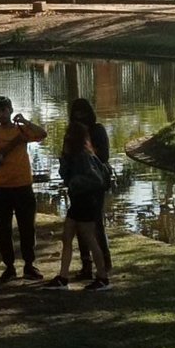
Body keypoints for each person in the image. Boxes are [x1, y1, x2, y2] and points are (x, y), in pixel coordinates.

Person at [43, 120, 111, 291]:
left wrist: (76, 181)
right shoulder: (72, 157)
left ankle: (102, 277)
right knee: (67, 237)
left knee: (90, 239)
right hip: (77, 201)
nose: (65, 139)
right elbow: (65, 175)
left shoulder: (84, 156)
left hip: (86, 202)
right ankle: (63, 277)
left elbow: (96, 179)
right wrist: (63, 159)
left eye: (67, 137)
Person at [0, 95, 47, 283]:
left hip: (23, 186)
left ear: (11, 110)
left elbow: (42, 134)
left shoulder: (22, 129)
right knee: (3, 229)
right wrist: (12, 145)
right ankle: (9, 267)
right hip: (1, 188)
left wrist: (25, 121)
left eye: (4, 110)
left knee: (27, 227)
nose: (1, 114)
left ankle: (29, 265)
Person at [68, 98, 112, 280]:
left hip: (95, 184)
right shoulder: (72, 132)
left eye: (82, 113)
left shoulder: (98, 130)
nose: (79, 117)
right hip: (77, 184)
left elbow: (104, 156)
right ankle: (86, 265)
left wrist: (87, 149)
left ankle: (105, 264)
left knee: (96, 224)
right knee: (79, 225)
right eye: (76, 113)